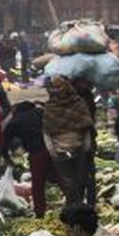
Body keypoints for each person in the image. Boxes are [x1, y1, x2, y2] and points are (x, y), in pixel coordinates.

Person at [44, 76, 98, 208]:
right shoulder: (50, 107)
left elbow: (86, 128)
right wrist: (52, 151)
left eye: (60, 87)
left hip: (79, 149)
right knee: (69, 185)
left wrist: (86, 146)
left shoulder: (78, 103)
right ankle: (73, 210)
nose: (58, 90)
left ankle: (81, 210)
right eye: (55, 87)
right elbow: (46, 132)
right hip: (60, 152)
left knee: (80, 182)